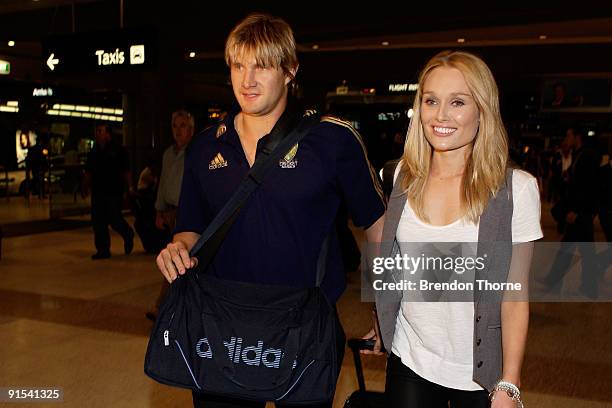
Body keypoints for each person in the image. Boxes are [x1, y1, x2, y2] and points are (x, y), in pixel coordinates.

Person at [155, 13, 385, 408]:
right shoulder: (207, 147)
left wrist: (386, 308)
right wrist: (177, 247)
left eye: (261, 65)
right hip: (221, 324)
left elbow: (379, 229)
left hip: (303, 324)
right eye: (238, 65)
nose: (247, 80)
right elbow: (190, 230)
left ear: (290, 70)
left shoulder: (331, 140)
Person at [363, 50, 542, 407]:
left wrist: (510, 382)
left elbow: (514, 294)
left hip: (478, 372)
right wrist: (382, 317)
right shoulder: (401, 177)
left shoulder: (516, 189)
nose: (441, 116)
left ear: (482, 110)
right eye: (431, 101)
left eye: (457, 102)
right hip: (410, 355)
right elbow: (395, 262)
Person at [146, 110, 195, 320]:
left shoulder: (196, 152)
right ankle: (171, 306)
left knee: (178, 261)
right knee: (175, 261)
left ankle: (162, 306)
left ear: (191, 129)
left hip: (187, 214)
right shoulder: (168, 154)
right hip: (170, 213)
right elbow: (163, 184)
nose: (178, 131)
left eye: (183, 126)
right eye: (175, 126)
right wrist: (159, 210)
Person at [85, 123, 134, 260]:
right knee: (98, 221)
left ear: (108, 134)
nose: (98, 134)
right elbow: (88, 171)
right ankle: (103, 249)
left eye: (100, 131)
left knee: (114, 218)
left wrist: (129, 187)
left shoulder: (118, 150)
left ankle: (127, 233)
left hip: (113, 190)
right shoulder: (93, 152)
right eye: (97, 131)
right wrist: (86, 186)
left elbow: (126, 170)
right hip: (98, 191)